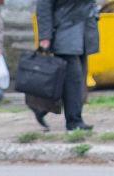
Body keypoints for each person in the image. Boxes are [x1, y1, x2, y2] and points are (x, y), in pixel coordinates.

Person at [36, 0, 99, 131]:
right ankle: (74, 121)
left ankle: (42, 108)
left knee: (74, 80)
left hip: (84, 31)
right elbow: (44, 7)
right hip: (65, 32)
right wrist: (45, 37)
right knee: (74, 80)